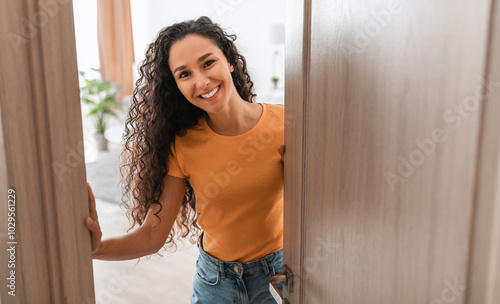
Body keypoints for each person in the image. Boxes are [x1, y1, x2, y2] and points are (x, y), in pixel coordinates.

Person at [85, 16, 286, 303]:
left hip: (276, 278)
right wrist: (95, 249)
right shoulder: (183, 145)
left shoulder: (285, 124)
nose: (202, 82)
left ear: (229, 60)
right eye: (184, 74)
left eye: (208, 63)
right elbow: (152, 236)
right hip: (217, 283)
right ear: (176, 86)